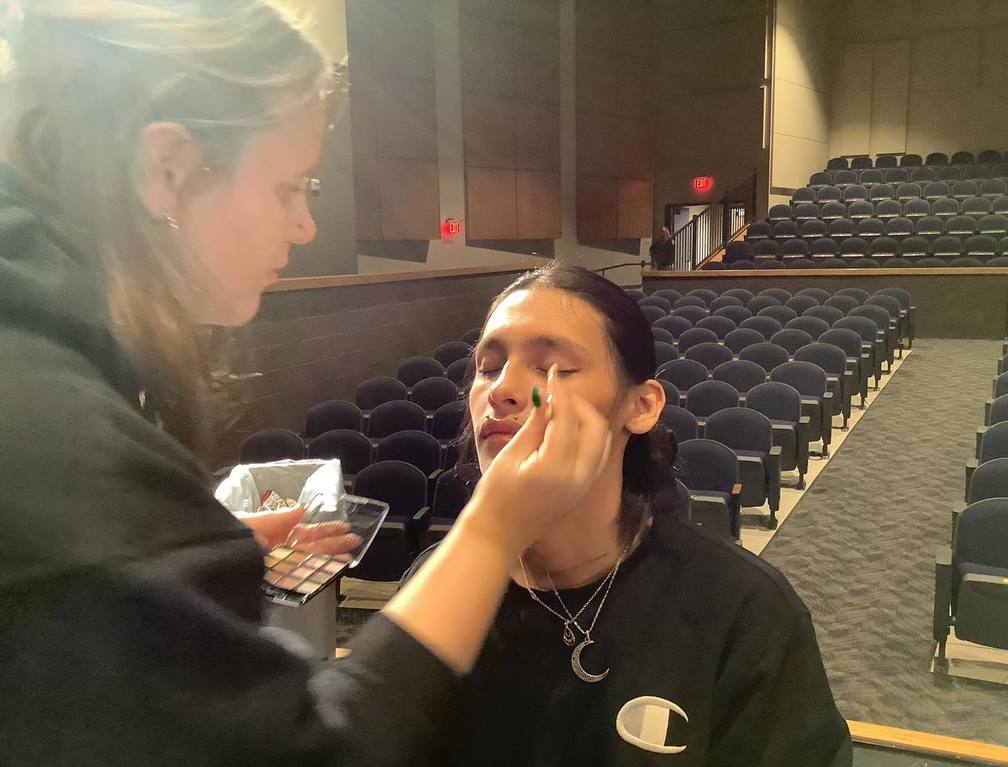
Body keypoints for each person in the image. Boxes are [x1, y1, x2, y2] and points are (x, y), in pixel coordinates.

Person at [0, 3, 612, 764]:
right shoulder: (56, 434)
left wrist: (182, 567)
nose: (305, 227)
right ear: (170, 169)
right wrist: (492, 530)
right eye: (293, 187)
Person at [406, 264, 852, 766]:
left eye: (555, 368)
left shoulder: (743, 610)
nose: (502, 390)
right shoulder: (436, 588)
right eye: (487, 368)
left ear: (641, 406)